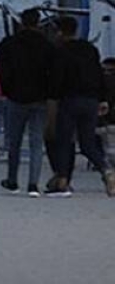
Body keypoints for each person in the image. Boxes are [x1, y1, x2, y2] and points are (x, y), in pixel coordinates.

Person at [46, 16, 115, 197]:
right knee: (88, 143)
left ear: (60, 32)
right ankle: (106, 170)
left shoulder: (60, 51)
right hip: (91, 101)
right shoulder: (90, 50)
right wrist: (103, 99)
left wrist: (52, 97)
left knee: (64, 141)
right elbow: (99, 74)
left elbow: (57, 79)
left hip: (69, 100)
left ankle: (63, 180)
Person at [0, 9, 53, 196]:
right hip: (40, 98)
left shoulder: (9, 43)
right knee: (36, 142)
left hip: (16, 97)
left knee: (14, 141)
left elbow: (1, 69)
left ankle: (12, 180)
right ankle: (33, 184)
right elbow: (53, 72)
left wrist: (7, 89)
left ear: (21, 22)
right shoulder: (47, 45)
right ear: (39, 22)